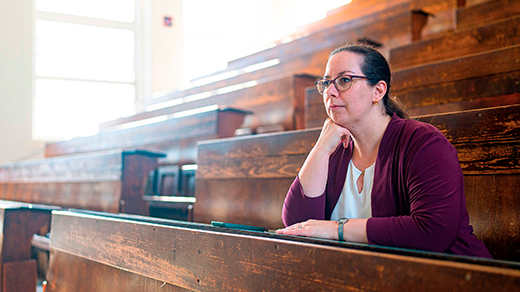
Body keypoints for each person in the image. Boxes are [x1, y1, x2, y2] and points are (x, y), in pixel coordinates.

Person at [276, 43, 492, 258]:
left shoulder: (423, 141)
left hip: (454, 275)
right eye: (326, 83)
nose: (330, 92)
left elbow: (432, 232)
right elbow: (297, 225)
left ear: (378, 91)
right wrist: (321, 148)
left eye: (344, 81)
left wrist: (336, 229)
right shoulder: (335, 148)